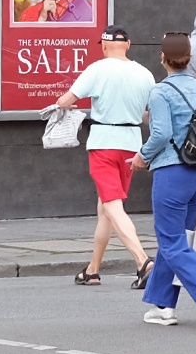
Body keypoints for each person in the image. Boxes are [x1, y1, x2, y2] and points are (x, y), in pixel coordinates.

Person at [135, 33, 196, 329]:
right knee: (178, 239)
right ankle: (163, 306)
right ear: (189, 58)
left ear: (162, 58)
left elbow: (161, 134)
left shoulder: (160, 92)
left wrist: (142, 156)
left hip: (173, 173)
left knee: (171, 240)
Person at [53, 25, 154, 288]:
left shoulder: (97, 69)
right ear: (128, 45)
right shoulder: (145, 74)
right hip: (131, 145)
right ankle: (93, 269)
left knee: (112, 205)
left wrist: (66, 106)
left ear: (104, 45)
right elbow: (148, 114)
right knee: (106, 208)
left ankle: (143, 261)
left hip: (104, 143)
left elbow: (65, 101)